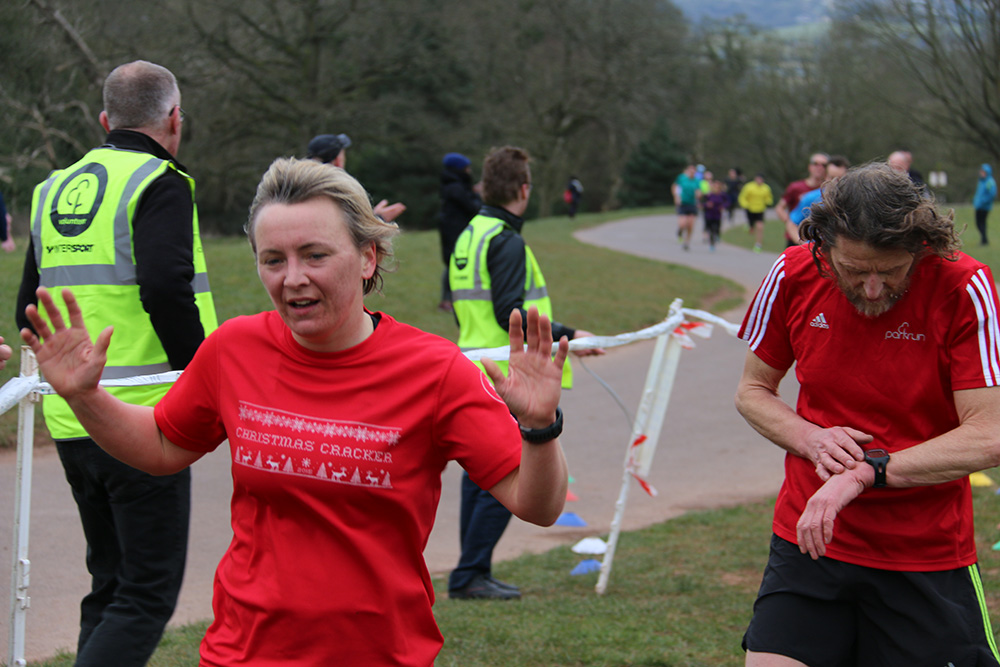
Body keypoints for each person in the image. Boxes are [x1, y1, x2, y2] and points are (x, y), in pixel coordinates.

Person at [21, 157, 570, 666]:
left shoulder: (435, 370)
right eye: (273, 259)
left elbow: (535, 504)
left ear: (367, 257)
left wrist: (540, 428)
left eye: (315, 255)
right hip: (241, 652)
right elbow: (164, 446)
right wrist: (85, 397)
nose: (293, 278)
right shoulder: (234, 348)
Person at [735, 162, 1000, 666]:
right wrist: (809, 438)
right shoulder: (791, 272)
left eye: (891, 271)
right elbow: (752, 390)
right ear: (823, 246)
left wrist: (865, 473)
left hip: (923, 554)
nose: (872, 289)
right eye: (853, 271)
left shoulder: (965, 287)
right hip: (810, 538)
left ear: (922, 247)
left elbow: (990, 435)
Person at [14, 60, 218, 666]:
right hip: (142, 420)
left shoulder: (52, 188)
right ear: (175, 118)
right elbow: (165, 287)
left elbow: (30, 305)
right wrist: (206, 377)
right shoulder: (161, 180)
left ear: (105, 121)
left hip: (74, 413)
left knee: (110, 582)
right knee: (146, 594)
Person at [448, 145, 600, 600]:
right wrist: (569, 336)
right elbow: (508, 310)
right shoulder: (505, 239)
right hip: (506, 375)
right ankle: (470, 574)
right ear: (524, 189)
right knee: (513, 469)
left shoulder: (470, 233)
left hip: (476, 366)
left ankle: (471, 570)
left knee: (479, 476)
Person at [306, 132, 406, 222]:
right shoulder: (339, 190)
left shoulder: (299, 185)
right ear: (337, 160)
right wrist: (380, 219)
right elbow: (352, 231)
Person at [438, 152, 481, 312]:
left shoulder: (453, 186)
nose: (469, 171)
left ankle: (454, 298)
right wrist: (479, 195)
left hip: (454, 229)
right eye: (466, 168)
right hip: (454, 230)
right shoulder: (455, 188)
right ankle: (447, 300)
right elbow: (472, 207)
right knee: (453, 263)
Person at [786, 155, 850, 243]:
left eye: (839, 179)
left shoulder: (851, 200)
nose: (835, 183)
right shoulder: (811, 198)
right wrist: (803, 245)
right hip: (814, 252)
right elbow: (792, 223)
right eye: (831, 178)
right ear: (825, 176)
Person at [777, 153, 828, 248]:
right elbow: (780, 207)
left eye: (823, 165)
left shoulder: (828, 190)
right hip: (795, 238)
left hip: (817, 241)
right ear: (810, 166)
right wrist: (791, 223)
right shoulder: (796, 187)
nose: (819, 167)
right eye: (815, 164)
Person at [738, 173, 774, 253]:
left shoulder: (766, 188)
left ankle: (758, 245)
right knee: (751, 229)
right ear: (755, 179)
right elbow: (743, 196)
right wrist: (745, 204)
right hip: (750, 209)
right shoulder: (749, 187)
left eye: (761, 179)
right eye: (758, 179)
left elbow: (768, 197)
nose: (759, 181)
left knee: (760, 227)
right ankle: (749, 227)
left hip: (760, 210)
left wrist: (768, 202)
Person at [672, 163, 700, 251]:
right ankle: (680, 233)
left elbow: (699, 192)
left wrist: (699, 195)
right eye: (690, 170)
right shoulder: (682, 178)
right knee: (682, 224)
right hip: (683, 203)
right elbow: (675, 186)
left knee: (690, 225)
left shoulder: (697, 181)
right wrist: (676, 197)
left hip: (692, 204)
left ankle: (686, 242)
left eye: (693, 171)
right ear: (687, 171)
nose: (692, 172)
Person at [701, 178, 729, 252]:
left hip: (717, 215)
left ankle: (717, 237)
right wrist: (707, 205)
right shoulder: (708, 195)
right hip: (709, 215)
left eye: (718, 186)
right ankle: (712, 244)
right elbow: (702, 203)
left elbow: (727, 202)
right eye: (715, 186)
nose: (716, 188)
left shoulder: (722, 195)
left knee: (716, 229)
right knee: (710, 230)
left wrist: (723, 206)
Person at [974, 163, 996, 246]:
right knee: (978, 223)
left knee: (981, 223)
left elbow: (992, 194)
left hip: (984, 206)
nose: (981, 173)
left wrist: (983, 201)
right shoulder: (981, 181)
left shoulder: (989, 182)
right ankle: (984, 239)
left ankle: (984, 240)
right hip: (979, 205)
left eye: (983, 172)